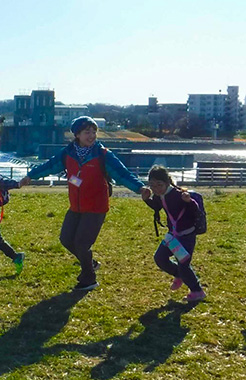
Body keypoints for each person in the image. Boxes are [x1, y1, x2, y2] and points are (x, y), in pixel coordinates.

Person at [19, 116, 151, 292]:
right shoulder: (68, 153)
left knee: (81, 243)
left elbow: (122, 174)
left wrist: (140, 188)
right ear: (77, 135)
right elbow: (50, 166)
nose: (92, 135)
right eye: (87, 132)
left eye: (94, 131)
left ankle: (89, 279)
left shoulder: (103, 154)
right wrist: (31, 175)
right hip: (76, 206)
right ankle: (90, 263)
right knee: (66, 239)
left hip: (96, 206)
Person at [142, 165, 206, 302]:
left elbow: (195, 210)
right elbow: (157, 206)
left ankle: (197, 291)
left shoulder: (178, 194)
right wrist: (147, 199)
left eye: (159, 185)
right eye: (152, 185)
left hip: (187, 236)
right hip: (173, 235)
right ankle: (179, 274)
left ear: (167, 182)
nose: (155, 189)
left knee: (183, 264)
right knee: (160, 258)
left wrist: (189, 201)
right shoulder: (160, 196)